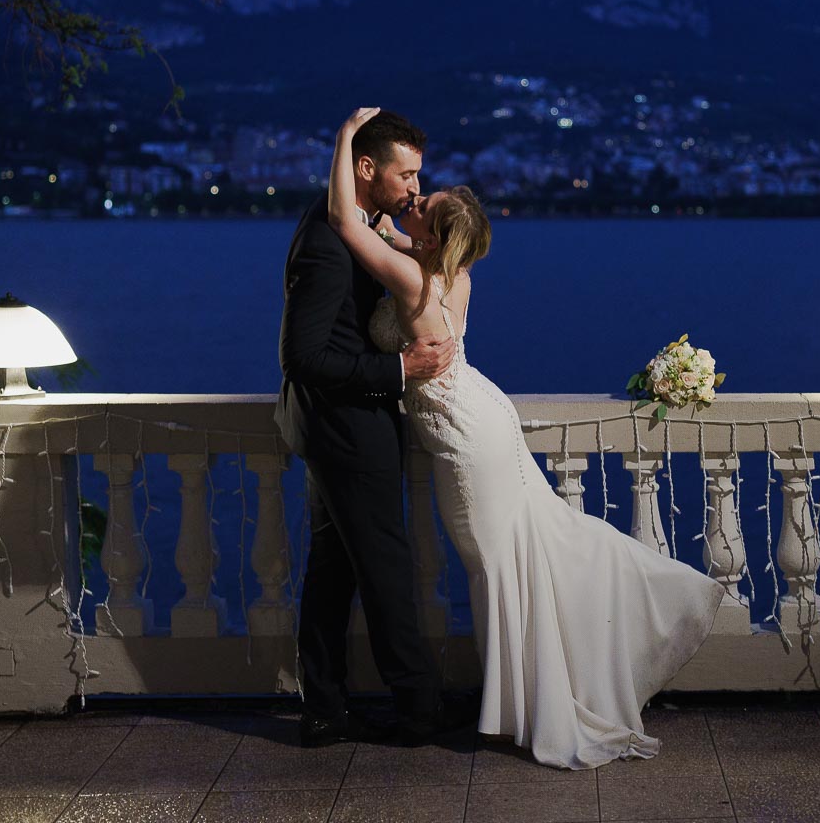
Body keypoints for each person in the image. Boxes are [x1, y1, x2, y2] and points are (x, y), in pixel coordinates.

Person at [325, 106, 726, 770]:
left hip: (467, 434)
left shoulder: (412, 278)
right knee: (516, 557)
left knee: (500, 561)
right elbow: (383, 228)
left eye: (423, 202)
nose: (415, 199)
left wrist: (344, 137)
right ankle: (524, 703)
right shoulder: (450, 274)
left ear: (434, 233)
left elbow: (347, 222)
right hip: (482, 417)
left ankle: (540, 704)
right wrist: (388, 207)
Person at [276, 109, 462, 747]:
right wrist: (398, 367)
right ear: (365, 169)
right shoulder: (329, 242)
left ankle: (324, 709)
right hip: (349, 429)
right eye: (406, 173)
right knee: (385, 568)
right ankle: (417, 710)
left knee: (332, 572)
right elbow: (301, 356)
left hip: (334, 427)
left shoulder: (349, 225)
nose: (415, 187)